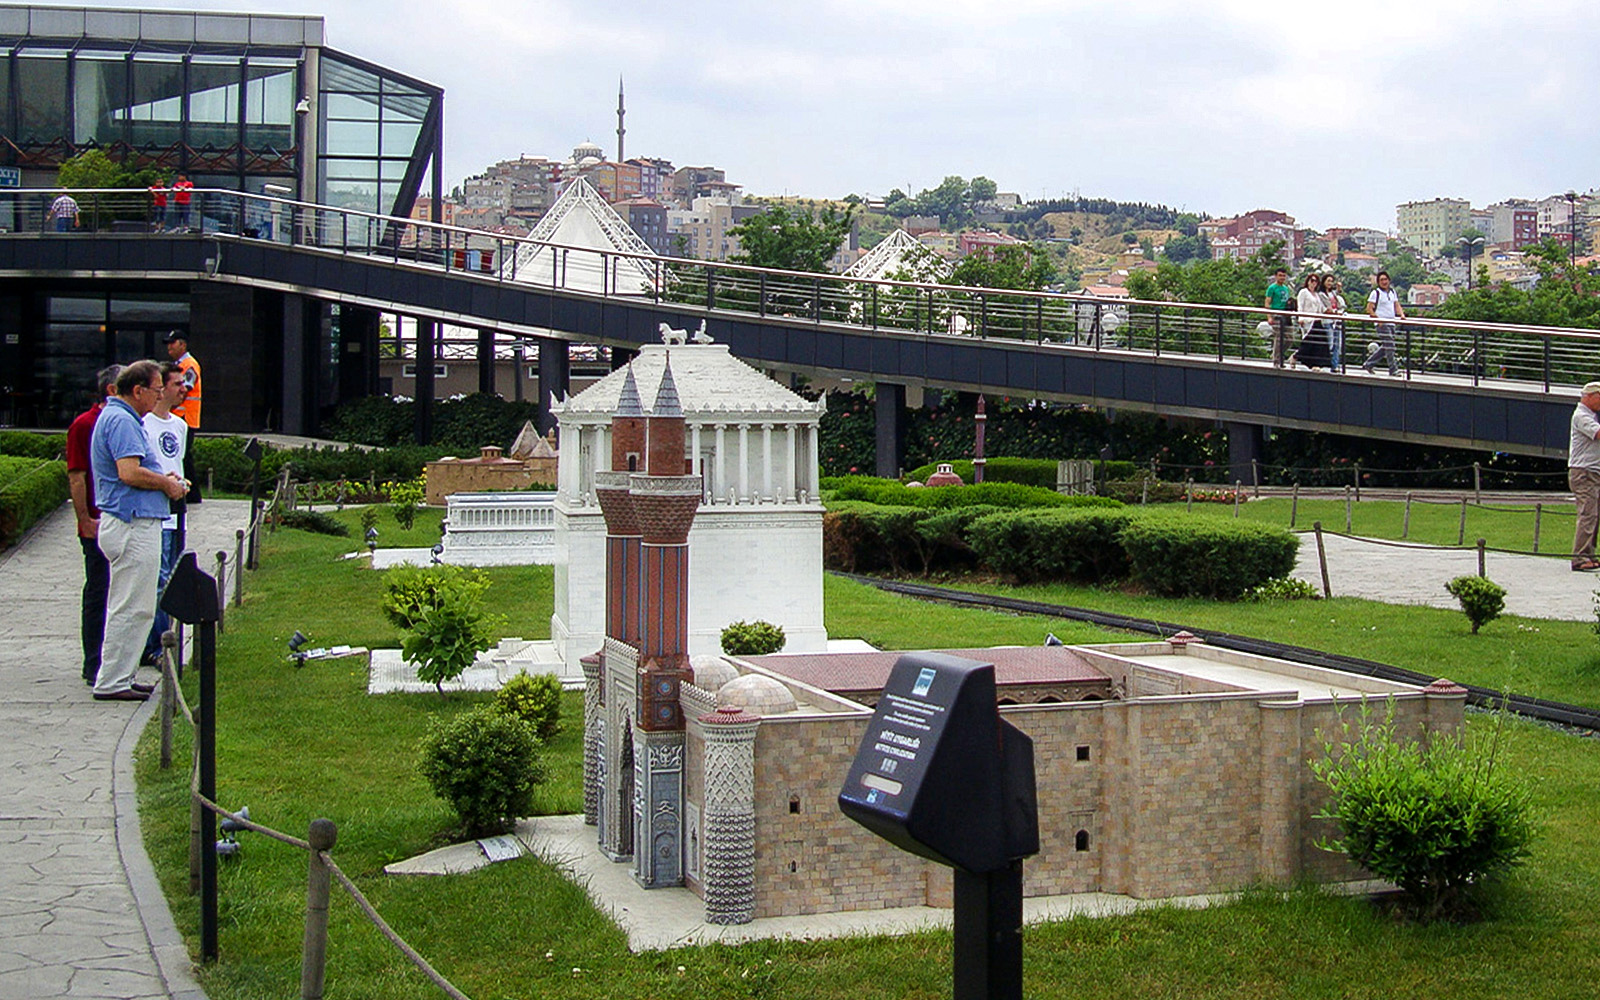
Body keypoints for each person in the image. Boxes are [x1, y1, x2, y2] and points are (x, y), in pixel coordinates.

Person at [88, 360, 189, 702]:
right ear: (138, 390)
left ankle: (121, 675)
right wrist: (166, 485)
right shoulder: (121, 420)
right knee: (131, 606)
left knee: (137, 605)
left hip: (133, 521)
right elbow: (129, 472)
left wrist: (164, 480)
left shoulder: (122, 418)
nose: (160, 395)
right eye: (157, 389)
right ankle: (112, 680)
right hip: (131, 523)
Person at [66, 365, 121, 686]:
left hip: (120, 519)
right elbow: (77, 475)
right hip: (97, 521)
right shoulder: (84, 425)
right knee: (98, 589)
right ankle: (93, 661)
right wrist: (84, 518)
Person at [141, 363, 188, 665]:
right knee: (158, 580)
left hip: (177, 511)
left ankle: (164, 638)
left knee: (173, 578)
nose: (184, 389)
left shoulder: (180, 426)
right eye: (177, 384)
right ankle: (156, 646)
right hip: (155, 512)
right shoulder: (144, 424)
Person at [164, 330, 203, 502]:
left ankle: (192, 495)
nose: (169, 347)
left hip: (185, 417)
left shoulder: (189, 364)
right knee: (183, 455)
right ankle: (191, 494)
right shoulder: (180, 364)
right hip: (181, 417)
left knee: (184, 456)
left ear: (183, 344)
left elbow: (184, 390)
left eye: (173, 343)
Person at [1569, 381, 1600, 572]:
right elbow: (1597, 433)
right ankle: (1579, 557)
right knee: (1588, 514)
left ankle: (1589, 553)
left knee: (1594, 514)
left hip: (1593, 471)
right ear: (1590, 396)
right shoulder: (1581, 416)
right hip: (1584, 472)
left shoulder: (1592, 415)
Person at [1364, 270, 1405, 375]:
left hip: (1391, 323)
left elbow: (1396, 305)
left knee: (1387, 346)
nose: (1384, 282)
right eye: (1381, 280)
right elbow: (1369, 308)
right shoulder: (1375, 293)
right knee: (1390, 346)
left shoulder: (1392, 292)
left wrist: (1401, 315)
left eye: (1385, 279)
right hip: (1382, 324)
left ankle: (1369, 363)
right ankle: (1393, 369)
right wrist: (1377, 319)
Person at [1294, 273, 1332, 369]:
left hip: (1317, 320)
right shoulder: (1304, 292)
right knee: (1309, 342)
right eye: (1312, 280)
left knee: (1319, 343)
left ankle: (1317, 363)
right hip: (1308, 320)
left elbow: (1321, 307)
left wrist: (1329, 311)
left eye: (1316, 281)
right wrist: (1300, 318)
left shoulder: (1316, 294)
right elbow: (1300, 305)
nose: (1313, 283)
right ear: (1308, 281)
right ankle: (1297, 357)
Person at [1263, 267, 1294, 368]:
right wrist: (1269, 317)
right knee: (1279, 338)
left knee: (1289, 338)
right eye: (1280, 275)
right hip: (1276, 315)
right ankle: (1277, 360)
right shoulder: (1272, 288)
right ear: (1276, 276)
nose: (1282, 278)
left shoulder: (1285, 288)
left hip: (1286, 315)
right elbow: (1267, 302)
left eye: (1284, 276)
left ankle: (1279, 355)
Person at [1324, 276, 1347, 372]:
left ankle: (1335, 365)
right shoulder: (1321, 294)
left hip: (1336, 321)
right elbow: (1325, 307)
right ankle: (1327, 364)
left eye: (1331, 281)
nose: (1330, 283)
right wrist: (1334, 312)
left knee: (1337, 344)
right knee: (1330, 344)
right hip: (1328, 321)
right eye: (1328, 281)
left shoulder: (1333, 293)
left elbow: (1339, 301)